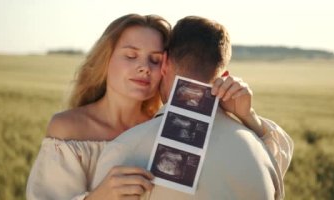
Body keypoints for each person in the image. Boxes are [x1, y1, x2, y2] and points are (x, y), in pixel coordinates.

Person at [26, 14, 268, 200]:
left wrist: (247, 117)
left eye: (154, 59)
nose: (144, 67)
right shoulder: (68, 128)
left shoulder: (172, 129)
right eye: (131, 56)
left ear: (166, 68)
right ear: (106, 59)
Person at [97, 16, 294, 200]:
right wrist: (248, 118)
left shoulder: (125, 150)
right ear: (224, 75)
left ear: (165, 63)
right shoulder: (261, 151)